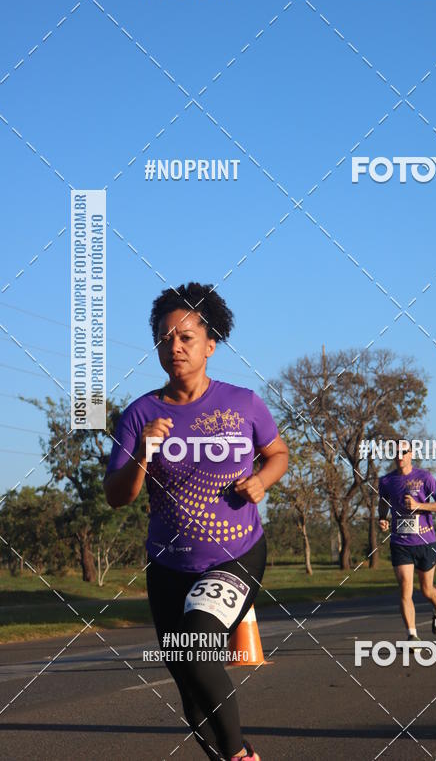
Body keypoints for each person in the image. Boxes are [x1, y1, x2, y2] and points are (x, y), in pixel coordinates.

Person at [104, 283, 288, 760]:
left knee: (198, 645)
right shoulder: (140, 415)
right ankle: (233, 751)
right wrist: (143, 451)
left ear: (210, 344)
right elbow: (117, 497)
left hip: (235, 554)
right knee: (188, 679)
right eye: (166, 339)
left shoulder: (244, 403)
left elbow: (278, 453)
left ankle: (239, 756)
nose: (176, 347)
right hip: (168, 565)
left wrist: (263, 481)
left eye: (186, 337)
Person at [378, 439, 436, 644]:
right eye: (396, 452)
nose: (400, 456)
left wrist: (419, 505)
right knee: (405, 587)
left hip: (425, 541)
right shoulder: (386, 481)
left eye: (404, 452)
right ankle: (412, 635)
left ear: (411, 454)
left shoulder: (425, 477)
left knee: (427, 590)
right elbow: (383, 505)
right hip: (400, 543)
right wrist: (383, 519)